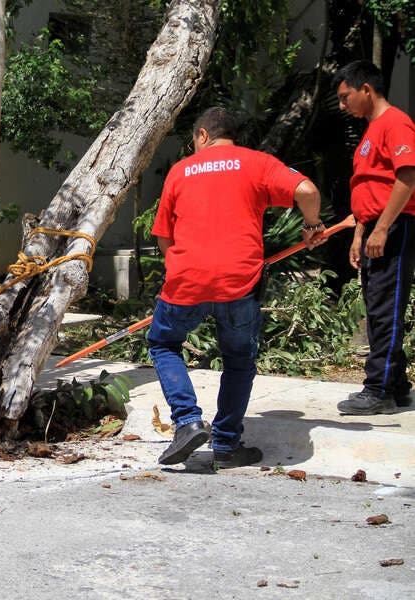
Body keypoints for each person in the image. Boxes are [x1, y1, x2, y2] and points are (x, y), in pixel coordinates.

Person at [148, 107, 324, 469]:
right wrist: (312, 226)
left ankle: (187, 422)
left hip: (187, 281)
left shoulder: (180, 171)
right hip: (239, 283)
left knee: (163, 343)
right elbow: (306, 190)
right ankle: (227, 445)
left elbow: (164, 237)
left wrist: (184, 270)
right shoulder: (257, 163)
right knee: (239, 362)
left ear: (201, 135)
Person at [333, 60, 415, 416]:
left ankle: (378, 388)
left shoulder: (395, 123)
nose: (342, 105)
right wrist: (361, 232)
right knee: (378, 305)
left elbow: (408, 176)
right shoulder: (371, 130)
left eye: (345, 96)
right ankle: (396, 384)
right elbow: (371, 186)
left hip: (395, 228)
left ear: (366, 89)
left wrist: (382, 227)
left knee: (385, 308)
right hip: (375, 226)